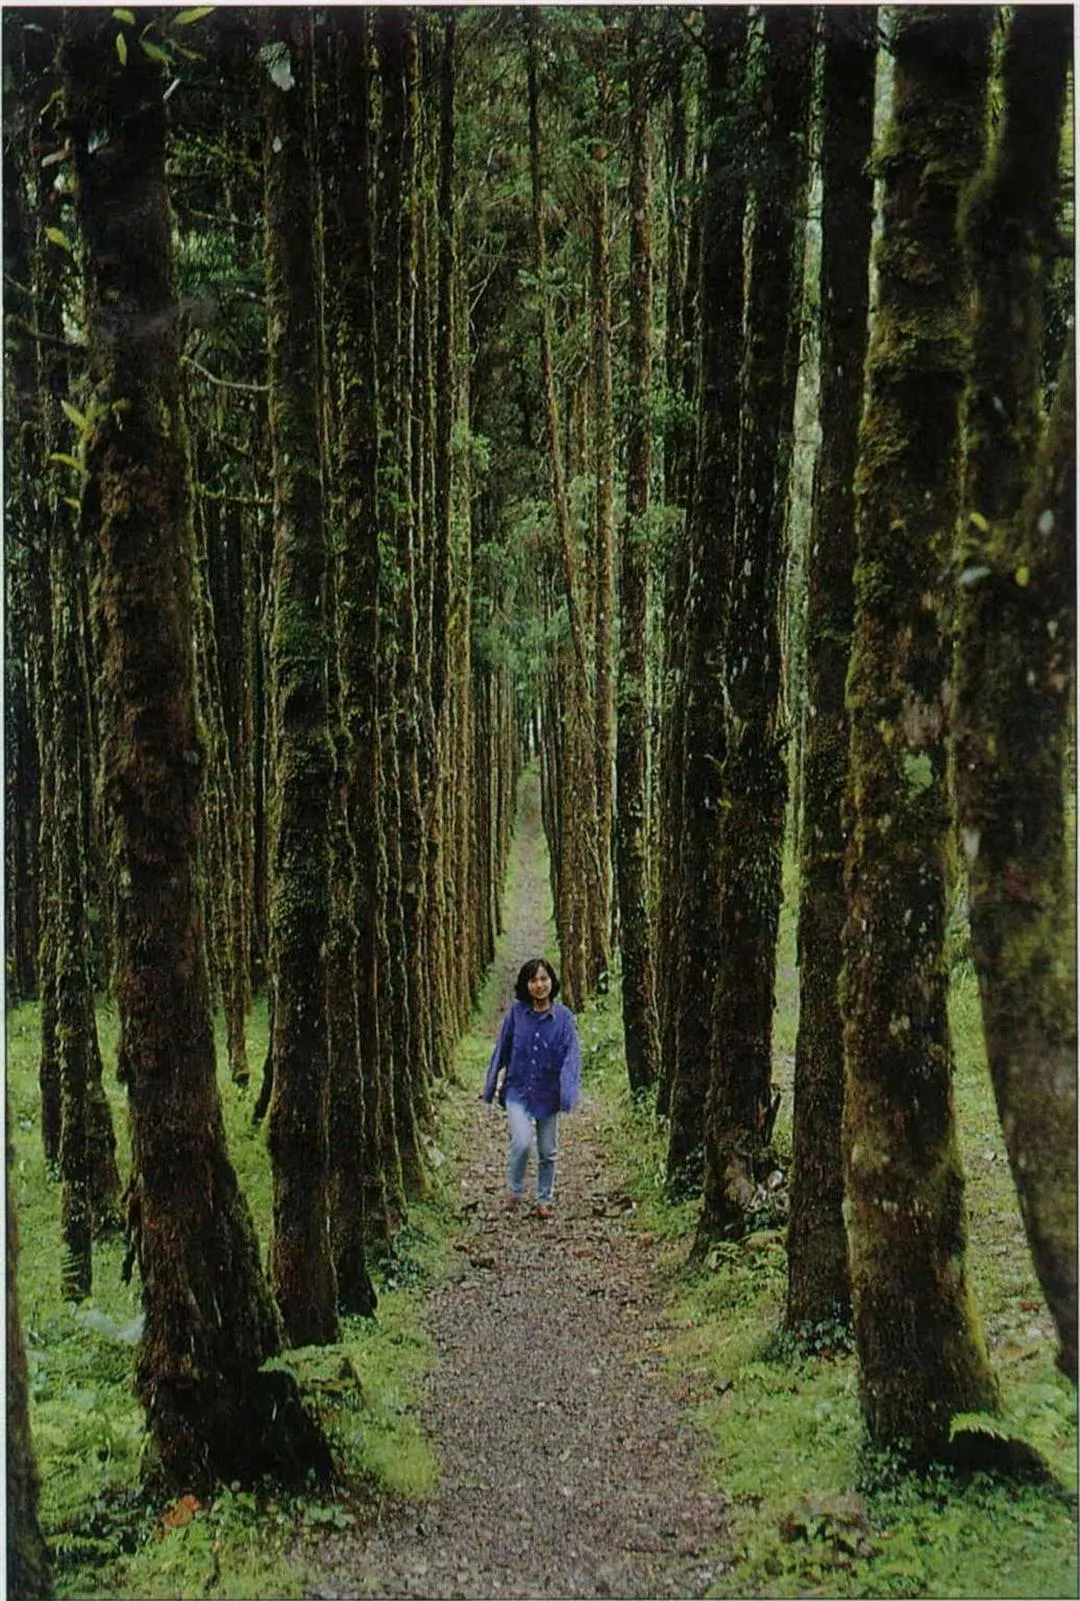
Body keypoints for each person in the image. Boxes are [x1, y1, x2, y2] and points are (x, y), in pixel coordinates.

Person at [481, 957, 581, 1216]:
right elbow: (501, 1049)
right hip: (517, 1090)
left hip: (548, 1093)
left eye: (544, 979)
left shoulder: (564, 1018)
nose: (539, 985)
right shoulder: (516, 1014)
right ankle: (514, 1190)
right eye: (533, 980)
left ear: (552, 982)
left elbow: (572, 1056)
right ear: (526, 985)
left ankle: (544, 1198)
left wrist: (568, 1092)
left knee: (548, 1150)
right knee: (522, 1142)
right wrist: (491, 1086)